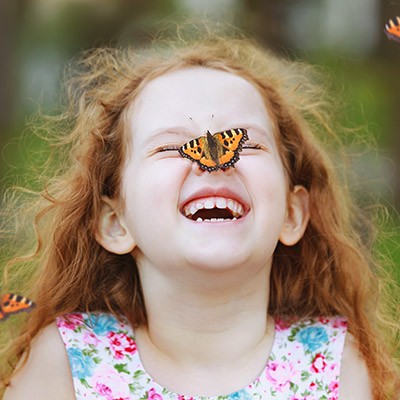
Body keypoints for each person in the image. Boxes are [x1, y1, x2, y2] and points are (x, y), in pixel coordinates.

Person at [1, 26, 399, 400]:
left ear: (292, 213)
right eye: (172, 148)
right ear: (115, 222)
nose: (215, 164)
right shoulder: (67, 363)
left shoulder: (333, 364)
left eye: (245, 145)